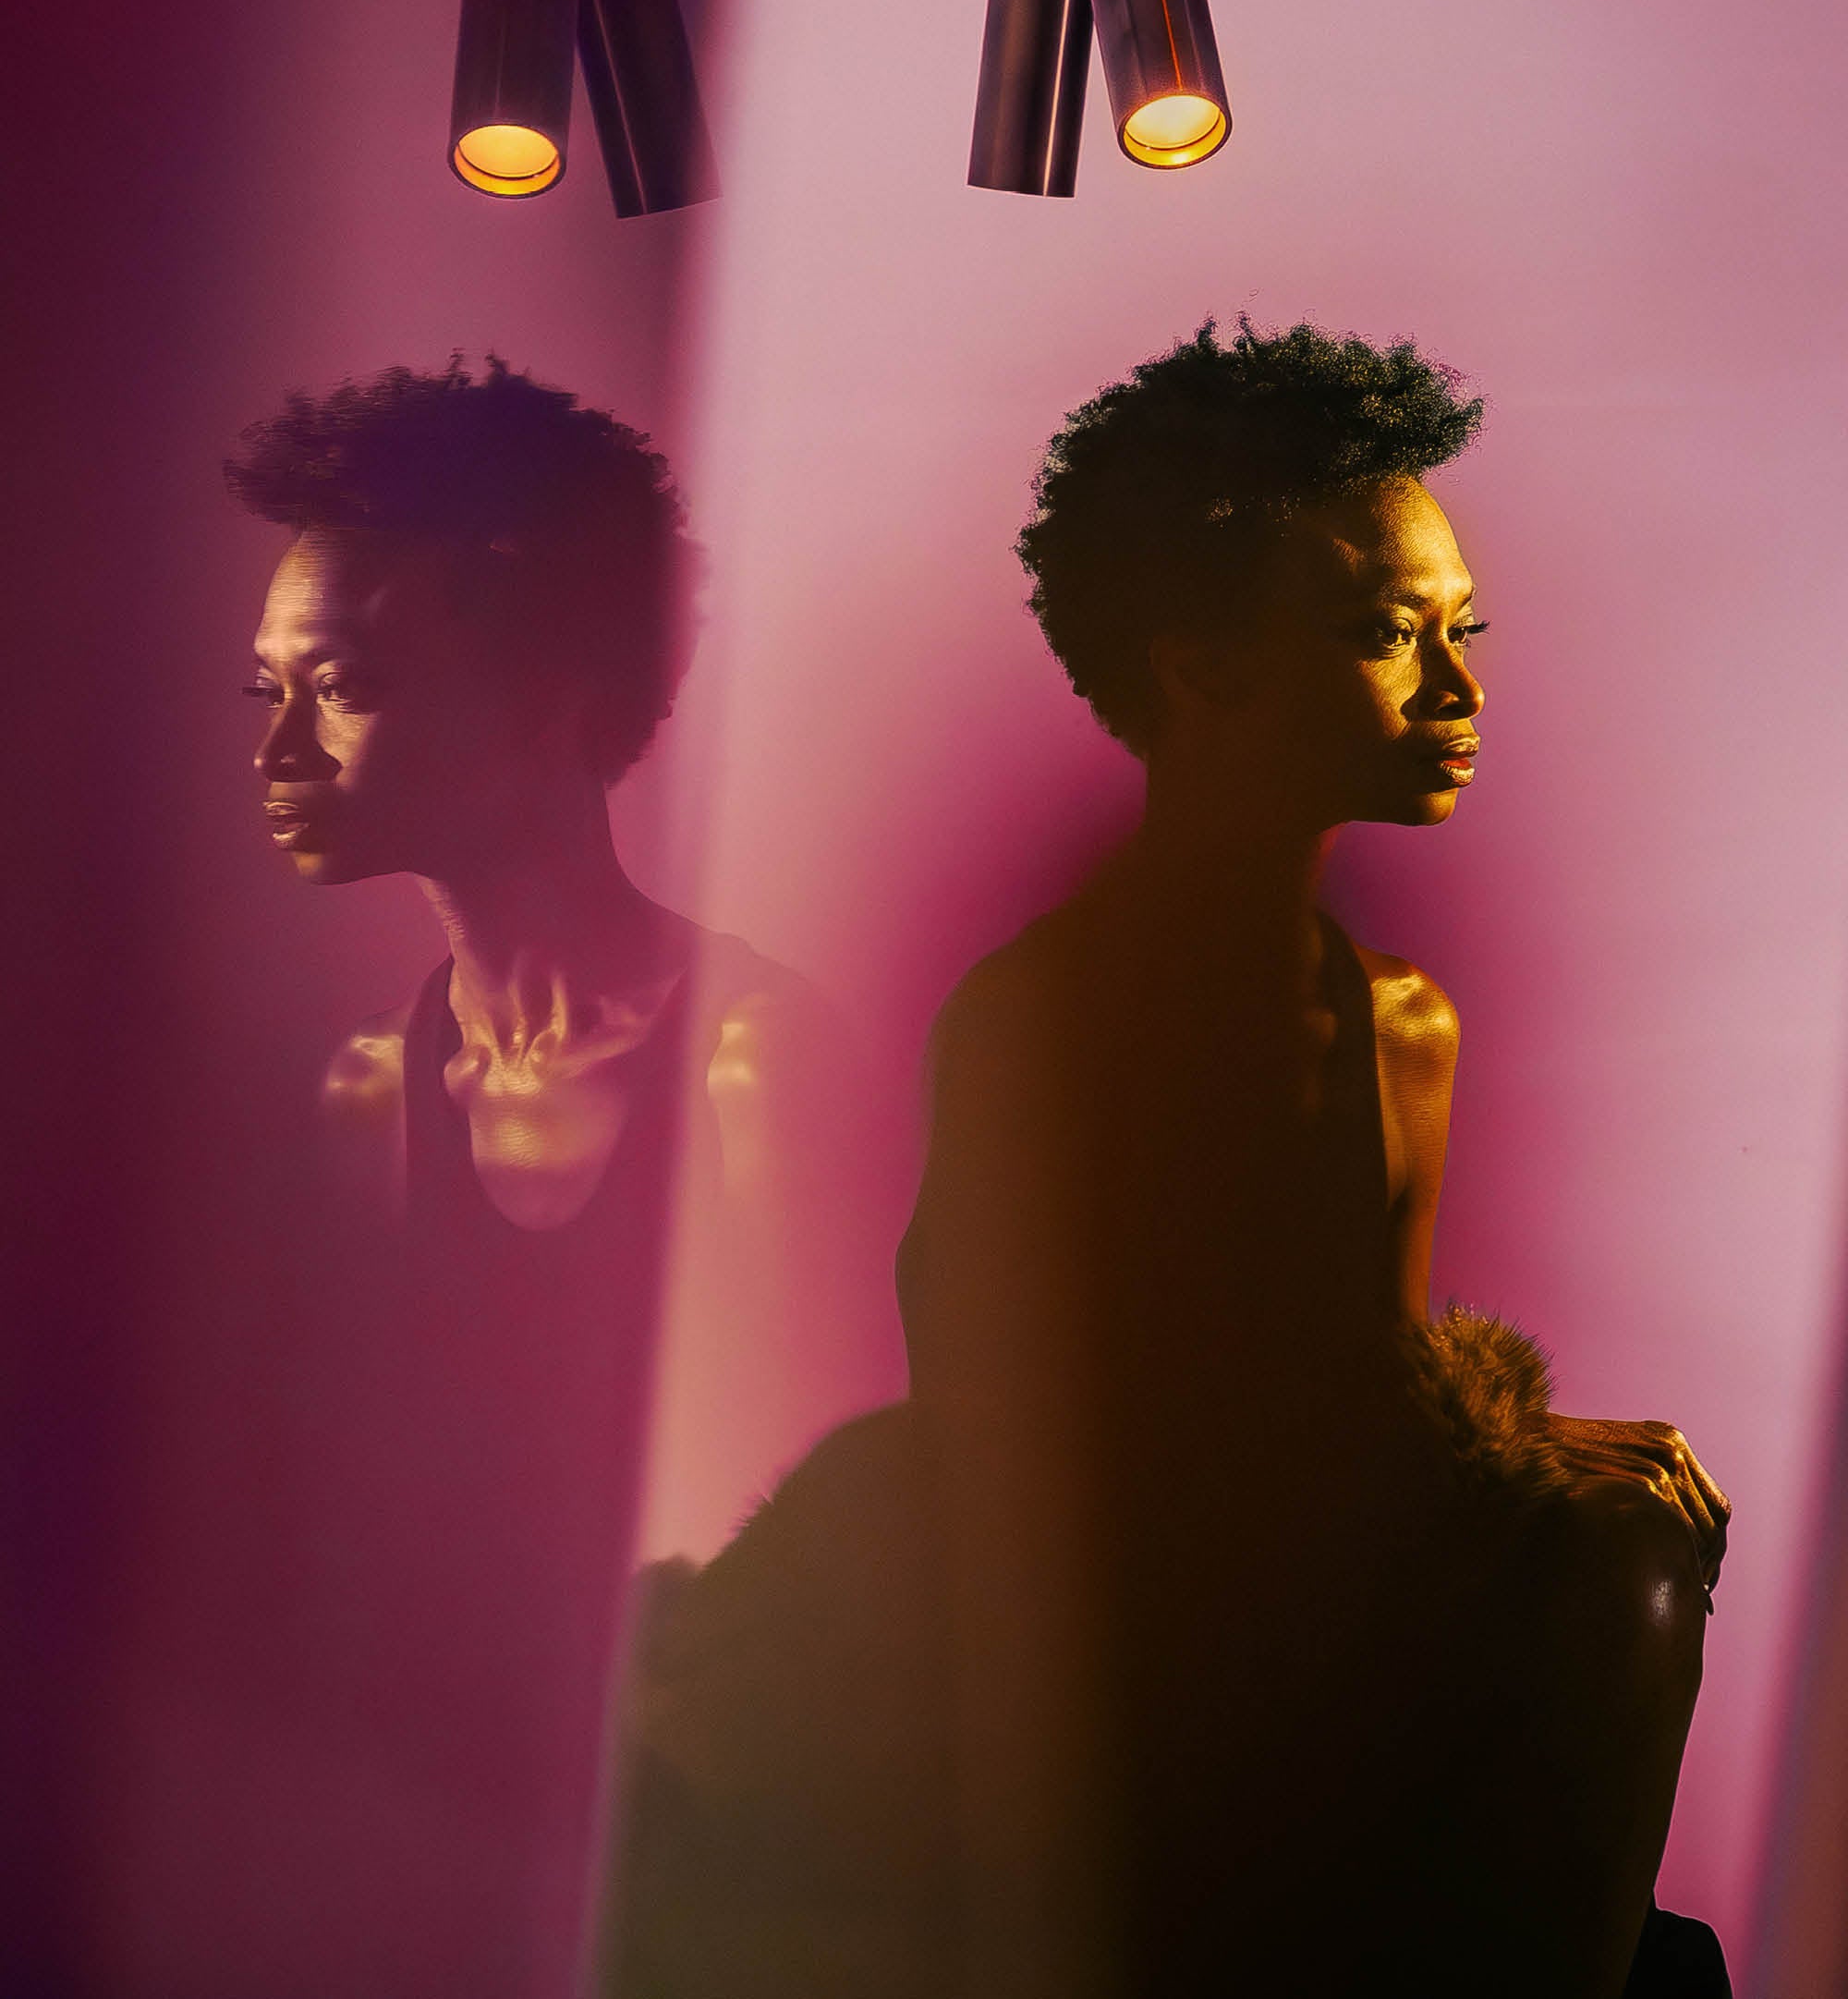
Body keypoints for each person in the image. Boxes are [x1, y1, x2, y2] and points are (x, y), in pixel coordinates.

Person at [610, 323, 1731, 1999]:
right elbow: (993, 1431)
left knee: (1636, 1560)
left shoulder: (1402, 1026)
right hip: (1102, 1671)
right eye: (1386, 633)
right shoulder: (1033, 1022)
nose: (1461, 688)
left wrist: (1522, 1449)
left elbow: (1383, 1392)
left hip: (1332, 1631)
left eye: (1463, 631)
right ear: (1201, 669)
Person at [230, 358, 890, 1994]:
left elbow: (837, 1553)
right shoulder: (371, 1089)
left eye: (346, 685)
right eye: (269, 693)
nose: (281, 749)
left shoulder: (755, 1062)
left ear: (546, 691)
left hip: (699, 1843)